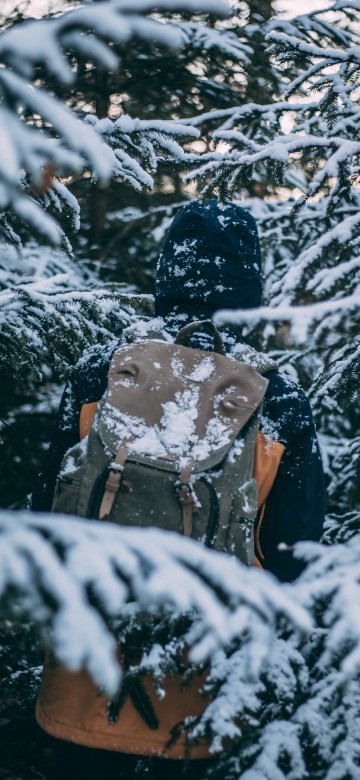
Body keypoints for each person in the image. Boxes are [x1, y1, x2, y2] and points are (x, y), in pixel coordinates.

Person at [32, 199, 326, 780]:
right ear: (251, 287)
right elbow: (298, 554)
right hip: (206, 700)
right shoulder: (279, 399)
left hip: (79, 686)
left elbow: (48, 513)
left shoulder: (104, 372)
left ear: (167, 273)